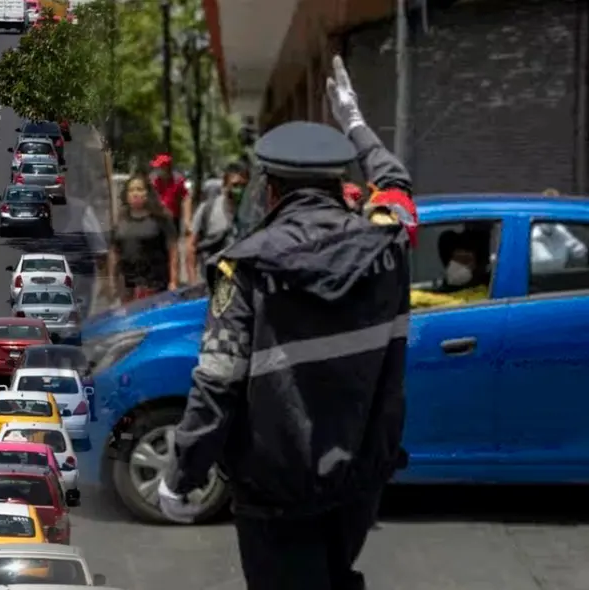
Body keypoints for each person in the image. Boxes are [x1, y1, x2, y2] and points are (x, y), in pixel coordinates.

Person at [158, 55, 413, 590]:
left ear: (270, 189)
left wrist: (182, 474)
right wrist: (355, 124)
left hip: (276, 491)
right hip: (360, 478)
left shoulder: (244, 268)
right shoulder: (388, 242)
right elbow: (394, 180)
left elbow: (216, 384)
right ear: (338, 183)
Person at [108, 173, 180, 303]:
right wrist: (112, 281)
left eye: (140, 189)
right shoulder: (121, 221)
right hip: (129, 287)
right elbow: (115, 252)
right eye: (131, 190)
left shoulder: (161, 218)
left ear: (147, 193)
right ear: (126, 195)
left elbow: (173, 250)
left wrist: (173, 281)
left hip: (155, 286)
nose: (135, 194)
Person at [185, 161, 251, 284]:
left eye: (244, 185)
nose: (240, 190)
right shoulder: (208, 209)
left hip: (243, 283)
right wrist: (193, 282)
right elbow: (191, 247)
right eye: (235, 185)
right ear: (225, 184)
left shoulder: (253, 213)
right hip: (212, 281)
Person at [411, 228, 493, 309]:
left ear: (478, 265)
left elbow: (459, 303)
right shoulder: (447, 287)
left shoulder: (484, 292)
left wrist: (417, 297)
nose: (455, 265)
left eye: (464, 260)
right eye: (454, 259)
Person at [149, 153, 192, 232]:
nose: (157, 169)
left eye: (159, 167)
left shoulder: (178, 180)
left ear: (166, 167)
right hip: (156, 218)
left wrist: (187, 220)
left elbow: (186, 198)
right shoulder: (153, 180)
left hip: (173, 219)